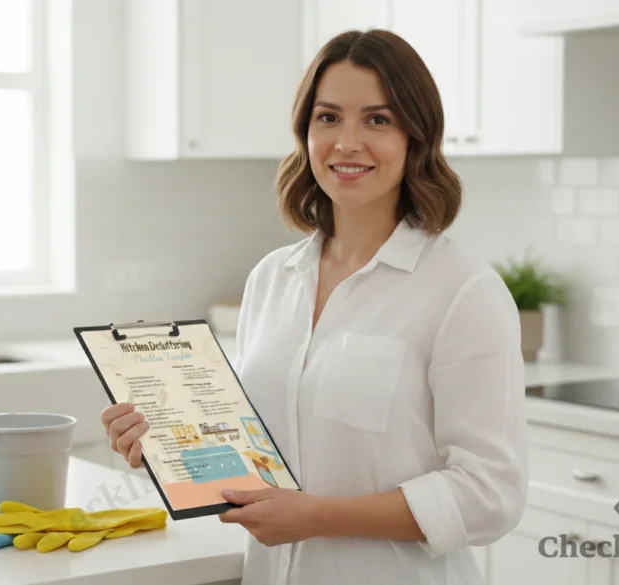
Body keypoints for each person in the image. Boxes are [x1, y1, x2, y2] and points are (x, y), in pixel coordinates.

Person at [100, 29, 528, 585]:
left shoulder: (462, 290)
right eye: (328, 118)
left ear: (416, 137)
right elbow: (256, 456)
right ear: (305, 132)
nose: (347, 143)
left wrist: (317, 516)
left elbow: (490, 495)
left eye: (378, 119)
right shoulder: (271, 279)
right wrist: (169, 449)